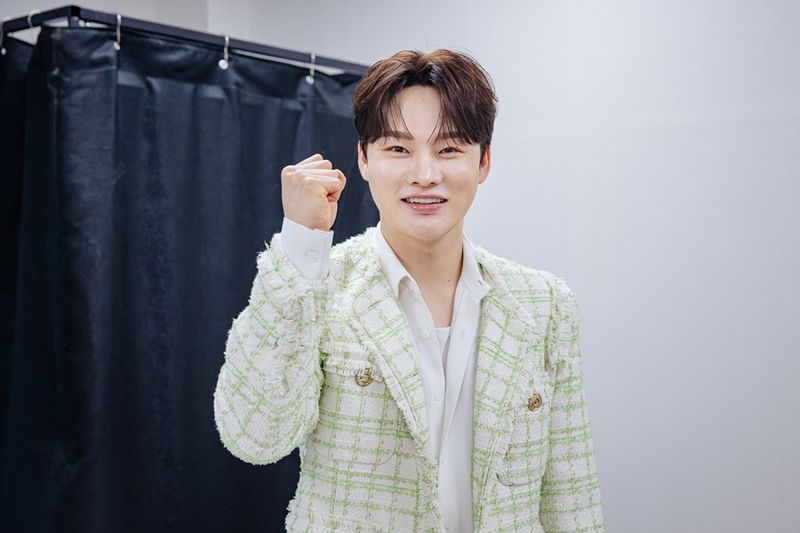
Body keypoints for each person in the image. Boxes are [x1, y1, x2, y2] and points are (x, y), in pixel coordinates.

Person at [213, 49, 605, 532]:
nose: (425, 174)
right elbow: (254, 437)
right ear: (364, 159)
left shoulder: (544, 303)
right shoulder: (319, 286)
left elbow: (571, 494)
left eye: (449, 149)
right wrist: (300, 242)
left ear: (483, 161)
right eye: (399, 149)